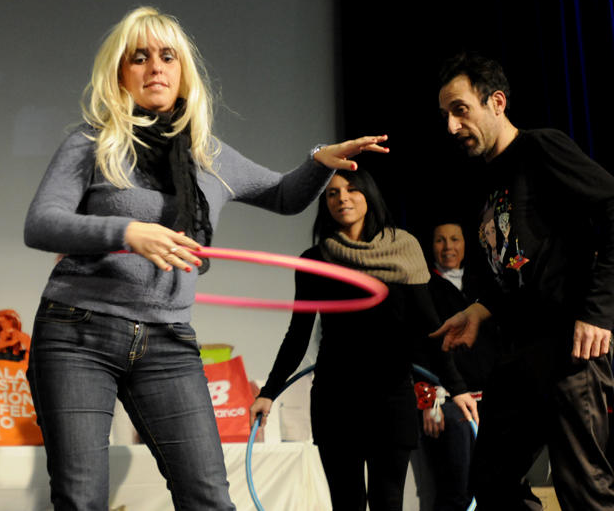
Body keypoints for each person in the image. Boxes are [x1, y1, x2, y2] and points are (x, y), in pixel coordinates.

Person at [23, 6, 390, 511]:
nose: (155, 67)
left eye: (167, 56)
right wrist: (127, 232)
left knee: (209, 499)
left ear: (183, 72)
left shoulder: (207, 154)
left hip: (168, 340)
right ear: (119, 74)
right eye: (140, 57)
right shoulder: (93, 142)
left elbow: (284, 195)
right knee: (81, 499)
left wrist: (319, 162)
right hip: (79, 332)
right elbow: (41, 223)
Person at [433, 52, 614, 510]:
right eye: (446, 115)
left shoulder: (540, 149)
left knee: (584, 491)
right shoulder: (482, 179)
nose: (451, 126)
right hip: (518, 351)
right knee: (491, 482)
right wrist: (479, 309)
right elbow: (516, 263)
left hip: (571, 348)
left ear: (496, 102)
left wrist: (598, 312)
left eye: (460, 110)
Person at [249, 168, 478, 511]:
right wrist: (268, 392)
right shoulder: (315, 260)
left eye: (351, 190)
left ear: (368, 195)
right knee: (347, 504)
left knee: (388, 501)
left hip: (391, 396)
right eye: (332, 193)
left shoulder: (403, 249)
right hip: (335, 399)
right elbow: (298, 334)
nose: (342, 198)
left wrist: (456, 387)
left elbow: (431, 328)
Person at [411, 221, 499, 511]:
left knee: (499, 485)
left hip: (490, 398)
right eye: (440, 240)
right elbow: (419, 347)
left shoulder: (485, 285)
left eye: (454, 239)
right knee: (458, 489)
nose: (448, 246)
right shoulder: (424, 287)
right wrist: (428, 401)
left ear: (465, 244)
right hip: (448, 401)